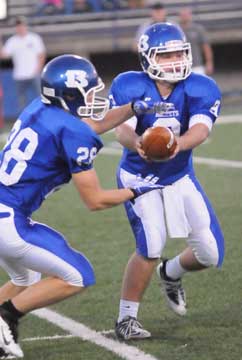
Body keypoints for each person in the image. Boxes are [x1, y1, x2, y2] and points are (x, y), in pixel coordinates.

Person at [0, 54, 163, 358]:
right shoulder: (71, 130)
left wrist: (131, 108)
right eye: (89, 91)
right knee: (78, 275)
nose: (94, 96)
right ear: (70, 94)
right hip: (8, 219)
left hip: (3, 208)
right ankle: (5, 317)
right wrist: (136, 190)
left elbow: (88, 124)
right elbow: (95, 200)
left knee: (25, 278)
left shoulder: (40, 107)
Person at [109, 22, 224, 340]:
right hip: (139, 175)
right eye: (165, 55)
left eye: (179, 52)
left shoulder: (200, 86)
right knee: (151, 244)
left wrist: (177, 145)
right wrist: (140, 144)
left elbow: (201, 129)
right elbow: (121, 128)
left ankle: (170, 273)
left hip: (179, 174)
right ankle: (126, 319)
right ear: (147, 59)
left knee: (210, 254)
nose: (174, 60)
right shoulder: (129, 84)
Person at [0, 16, 46, 114]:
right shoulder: (12, 41)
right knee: (21, 102)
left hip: (34, 74)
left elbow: (41, 54)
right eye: (18, 26)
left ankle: (44, 117)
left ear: (25, 26)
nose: (20, 28)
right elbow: (3, 55)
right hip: (19, 75)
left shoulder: (34, 38)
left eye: (21, 25)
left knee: (41, 98)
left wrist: (38, 69)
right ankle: (24, 122)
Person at [179, 7, 214, 75]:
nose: (184, 17)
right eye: (183, 15)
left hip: (197, 65)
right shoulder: (177, 30)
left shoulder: (198, 29)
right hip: (181, 66)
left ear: (190, 15)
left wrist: (209, 62)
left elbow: (206, 47)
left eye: (186, 15)